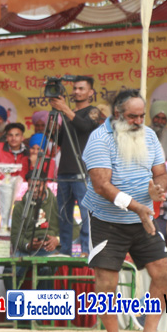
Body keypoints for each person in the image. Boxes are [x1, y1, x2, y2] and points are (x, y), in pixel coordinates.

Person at [82, 88, 167, 332]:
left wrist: (158, 188)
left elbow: (160, 172)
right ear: (117, 114)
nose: (138, 121)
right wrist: (137, 207)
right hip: (106, 219)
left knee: (164, 271)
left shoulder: (149, 135)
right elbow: (101, 185)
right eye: (132, 117)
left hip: (142, 217)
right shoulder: (99, 139)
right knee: (106, 281)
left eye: (141, 116)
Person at [47, 75, 97, 257]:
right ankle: (65, 250)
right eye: (74, 88)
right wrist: (55, 116)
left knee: (85, 214)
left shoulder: (93, 111)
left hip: (82, 171)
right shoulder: (68, 114)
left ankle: (86, 249)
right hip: (64, 171)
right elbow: (58, 140)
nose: (76, 91)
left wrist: (65, 109)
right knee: (64, 215)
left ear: (90, 92)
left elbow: (85, 126)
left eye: (81, 88)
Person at [10, 179, 60, 290]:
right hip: (26, 251)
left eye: (37, 186)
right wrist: (28, 245)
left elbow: (73, 230)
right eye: (30, 186)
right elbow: (15, 236)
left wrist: (57, 240)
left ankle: (41, 300)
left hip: (49, 249)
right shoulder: (19, 207)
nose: (34, 190)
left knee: (47, 269)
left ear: (45, 185)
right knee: (9, 271)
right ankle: (16, 299)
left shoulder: (57, 204)